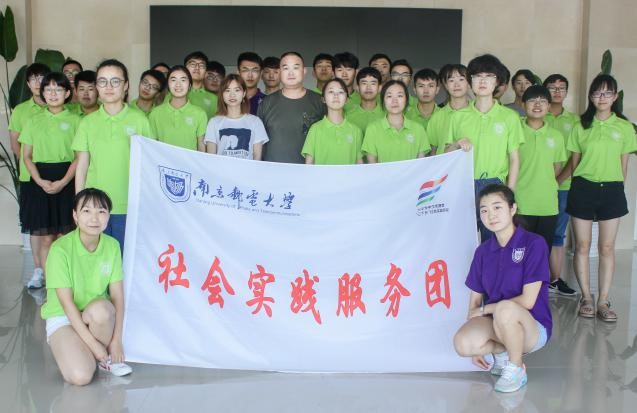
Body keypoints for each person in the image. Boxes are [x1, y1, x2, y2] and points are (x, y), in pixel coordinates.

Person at [453, 184, 551, 393]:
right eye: (484, 210)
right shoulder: (483, 252)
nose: (491, 215)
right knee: (463, 343)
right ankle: (502, 353)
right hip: (497, 322)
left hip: (532, 326)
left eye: (497, 207)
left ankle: (516, 368)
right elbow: (474, 302)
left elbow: (528, 301)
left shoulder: (534, 244)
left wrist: (486, 309)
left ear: (512, 208)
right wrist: (476, 342)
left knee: (505, 308)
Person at [41, 188, 132, 386]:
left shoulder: (112, 246)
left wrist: (116, 340)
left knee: (103, 309)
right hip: (64, 317)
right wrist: (96, 347)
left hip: (95, 315)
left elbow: (117, 296)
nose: (94, 218)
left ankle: (95, 357)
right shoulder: (60, 249)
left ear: (108, 216)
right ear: (75, 216)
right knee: (81, 377)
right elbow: (67, 305)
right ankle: (92, 355)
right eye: (86, 211)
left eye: (101, 211)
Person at [567, 74, 636, 321]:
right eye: (597, 93)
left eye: (607, 93)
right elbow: (574, 164)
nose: (602, 97)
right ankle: (586, 297)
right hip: (583, 188)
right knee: (582, 246)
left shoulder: (625, 127)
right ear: (591, 96)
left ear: (615, 96)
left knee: (606, 247)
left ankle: (603, 300)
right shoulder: (580, 126)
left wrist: (617, 189)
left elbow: (624, 165)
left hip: (612, 190)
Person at [73, 59, 154, 251]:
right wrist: (80, 204)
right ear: (97, 87)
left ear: (126, 86)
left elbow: (149, 164)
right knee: (96, 259)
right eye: (102, 81)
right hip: (95, 207)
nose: (108, 87)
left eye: (115, 81)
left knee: (125, 259)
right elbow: (82, 166)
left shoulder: (139, 120)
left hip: (129, 205)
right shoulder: (87, 123)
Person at [445, 54, 524, 242]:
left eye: (489, 76)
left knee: (495, 241)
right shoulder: (458, 116)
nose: (482, 81)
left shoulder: (509, 117)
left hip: (495, 185)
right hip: (463, 184)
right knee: (463, 241)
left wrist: (509, 192)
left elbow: (514, 158)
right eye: (477, 76)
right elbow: (446, 154)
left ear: (497, 82)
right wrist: (456, 144)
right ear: (470, 81)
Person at [19, 72, 80, 289]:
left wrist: (63, 182)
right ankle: (51, 284)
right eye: (48, 89)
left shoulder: (77, 120)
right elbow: (26, 156)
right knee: (45, 237)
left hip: (67, 178)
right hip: (40, 179)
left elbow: (79, 157)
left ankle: (66, 282)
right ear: (43, 93)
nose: (53, 94)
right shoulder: (33, 121)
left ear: (67, 93)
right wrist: (39, 180)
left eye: (58, 89)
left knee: (64, 236)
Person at [8, 62, 51, 287]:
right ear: (27, 83)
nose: (37, 82)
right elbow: (16, 145)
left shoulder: (60, 105)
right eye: (33, 78)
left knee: (57, 227)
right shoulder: (20, 110)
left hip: (58, 176)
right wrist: (29, 168)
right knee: (36, 226)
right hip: (30, 177)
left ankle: (57, 271)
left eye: (41, 77)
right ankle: (39, 270)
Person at [515, 85, 567, 251]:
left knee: (542, 252)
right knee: (519, 254)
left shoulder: (556, 136)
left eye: (543, 101)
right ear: (523, 104)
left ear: (549, 106)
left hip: (548, 205)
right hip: (520, 203)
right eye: (532, 100)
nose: (537, 105)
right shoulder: (514, 131)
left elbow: (557, 168)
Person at [543, 74, 580, 296]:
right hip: (535, 187)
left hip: (563, 187)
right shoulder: (537, 114)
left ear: (566, 92)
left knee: (557, 234)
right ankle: (534, 279)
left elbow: (576, 156)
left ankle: (554, 279)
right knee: (533, 234)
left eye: (562, 88)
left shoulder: (575, 121)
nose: (557, 92)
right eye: (552, 88)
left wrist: (557, 180)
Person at [257, 52, 325, 164]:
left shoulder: (320, 101)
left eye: (295, 67)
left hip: (309, 170)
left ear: (304, 71)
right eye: (286, 68)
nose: (291, 73)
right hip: (273, 170)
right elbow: (258, 142)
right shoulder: (266, 103)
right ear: (280, 72)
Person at [362, 80, 430, 163]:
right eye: (389, 96)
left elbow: (421, 164)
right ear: (383, 100)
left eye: (399, 96)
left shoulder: (418, 129)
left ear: (406, 99)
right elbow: (372, 165)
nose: (395, 101)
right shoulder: (372, 129)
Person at [205, 74, 269, 160]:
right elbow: (211, 158)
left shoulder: (255, 122)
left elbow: (257, 157)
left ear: (244, 93)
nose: (232, 95)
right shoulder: (214, 122)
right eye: (227, 90)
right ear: (222, 95)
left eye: (237, 90)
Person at [302, 78, 363, 165]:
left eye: (340, 92)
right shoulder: (315, 129)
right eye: (331, 92)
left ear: (346, 100)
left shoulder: (356, 131)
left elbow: (359, 165)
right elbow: (309, 164)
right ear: (323, 99)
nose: (336, 95)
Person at [149, 65, 208, 151]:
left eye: (183, 80)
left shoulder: (200, 113)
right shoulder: (155, 113)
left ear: (190, 85)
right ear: (168, 85)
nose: (178, 84)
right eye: (173, 80)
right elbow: (152, 145)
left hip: (189, 160)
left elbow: (201, 145)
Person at [426, 64, 470, 155]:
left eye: (461, 79)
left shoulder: (478, 114)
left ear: (469, 83)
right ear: (445, 85)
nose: (456, 84)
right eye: (451, 80)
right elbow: (432, 152)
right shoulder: (437, 116)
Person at [346, 67, 385, 134]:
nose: (368, 87)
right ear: (357, 88)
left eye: (373, 83)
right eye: (364, 83)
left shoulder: (387, 115)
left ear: (379, 88)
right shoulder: (347, 116)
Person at [184, 51, 218, 119]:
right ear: (184, 69)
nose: (197, 67)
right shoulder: (174, 95)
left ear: (206, 72)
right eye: (193, 64)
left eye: (201, 65)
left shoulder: (214, 99)